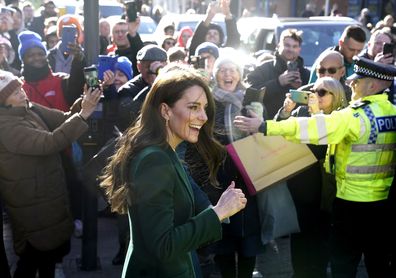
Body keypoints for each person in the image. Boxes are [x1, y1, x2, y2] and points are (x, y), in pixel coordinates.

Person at [234, 56, 396, 278]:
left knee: (343, 264)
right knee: (379, 264)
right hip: (383, 205)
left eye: (357, 81)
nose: (352, 84)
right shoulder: (392, 113)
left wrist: (264, 126)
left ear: (374, 85)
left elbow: (314, 127)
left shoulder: (355, 115)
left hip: (351, 203)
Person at [100, 69, 247, 277]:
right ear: (166, 111)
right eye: (193, 107)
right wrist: (219, 212)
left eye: (204, 108)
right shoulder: (154, 160)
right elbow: (163, 246)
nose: (203, 117)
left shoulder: (164, 152)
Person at [0, 70, 101, 278]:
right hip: (29, 199)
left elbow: (63, 119)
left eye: (19, 87)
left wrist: (86, 100)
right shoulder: (5, 125)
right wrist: (84, 114)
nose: (21, 91)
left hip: (45, 193)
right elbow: (50, 142)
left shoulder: (26, 108)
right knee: (31, 258)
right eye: (13, 91)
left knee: (48, 255)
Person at [275, 77, 347, 277]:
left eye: (323, 93)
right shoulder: (301, 112)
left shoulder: (341, 117)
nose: (316, 96)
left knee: (321, 237)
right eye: (314, 91)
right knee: (300, 237)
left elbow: (323, 144)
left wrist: (317, 114)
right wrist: (286, 112)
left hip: (326, 189)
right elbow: (279, 133)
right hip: (301, 186)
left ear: (337, 97)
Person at [246, 28, 310, 119]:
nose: (290, 49)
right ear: (278, 46)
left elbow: (313, 101)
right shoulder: (264, 69)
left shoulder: (306, 75)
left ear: (299, 49)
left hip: (297, 126)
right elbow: (250, 94)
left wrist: (299, 89)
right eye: (287, 45)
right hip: (267, 125)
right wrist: (278, 82)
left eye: (294, 46)